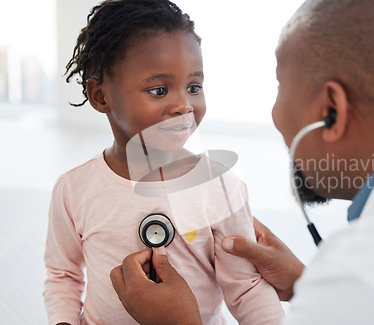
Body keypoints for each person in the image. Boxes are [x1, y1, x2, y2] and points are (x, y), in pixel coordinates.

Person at [110, 0, 374, 324]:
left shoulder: (368, 273)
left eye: (281, 87)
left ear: (331, 109)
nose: (277, 114)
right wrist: (308, 283)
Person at [43, 1, 284, 324]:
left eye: (194, 87)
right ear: (101, 97)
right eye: (159, 90)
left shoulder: (221, 188)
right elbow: (64, 275)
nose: (184, 106)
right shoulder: (74, 189)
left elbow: (247, 287)